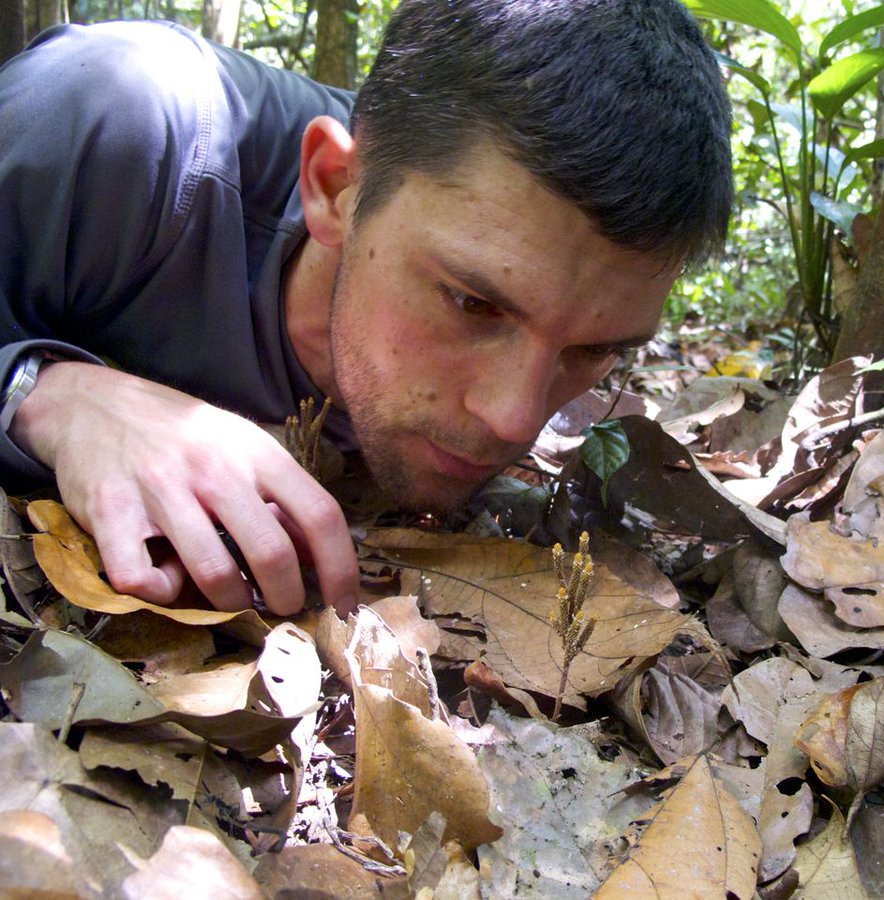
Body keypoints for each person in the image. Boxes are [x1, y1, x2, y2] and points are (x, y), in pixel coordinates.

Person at [0, 0, 733, 618]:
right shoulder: (123, 124)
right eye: (473, 303)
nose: (514, 418)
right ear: (333, 187)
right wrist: (46, 395)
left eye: (594, 351)